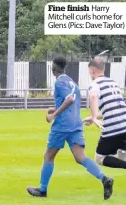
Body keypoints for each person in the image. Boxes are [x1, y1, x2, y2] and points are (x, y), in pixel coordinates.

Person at [27, 57, 113, 199]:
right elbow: (71, 101)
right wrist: (54, 107)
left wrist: (53, 115)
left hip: (62, 126)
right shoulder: (71, 82)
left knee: (48, 155)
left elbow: (70, 100)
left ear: (53, 70)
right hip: (76, 124)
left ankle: (42, 190)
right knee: (80, 157)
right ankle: (104, 179)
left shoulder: (59, 82)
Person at [83, 59, 126, 169]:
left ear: (93, 70)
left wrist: (94, 116)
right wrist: (94, 117)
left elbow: (93, 96)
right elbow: (113, 107)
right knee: (123, 156)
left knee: (99, 157)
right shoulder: (113, 83)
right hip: (124, 125)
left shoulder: (94, 84)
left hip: (113, 128)